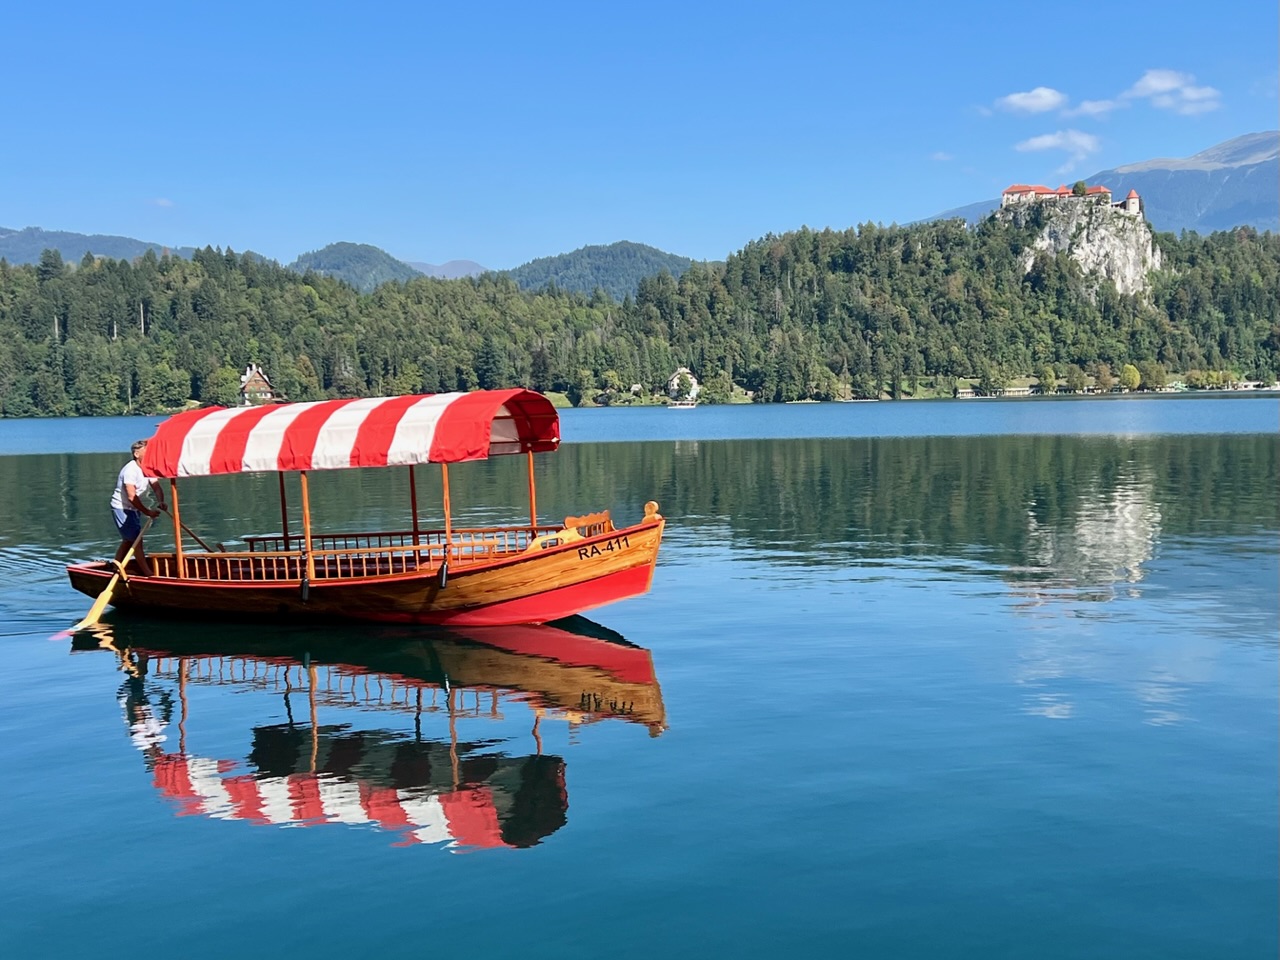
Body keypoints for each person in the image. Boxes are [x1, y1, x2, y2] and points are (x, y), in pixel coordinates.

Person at [111, 439, 167, 577]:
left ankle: (116, 566)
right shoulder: (130, 470)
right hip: (122, 507)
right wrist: (147, 512)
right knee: (136, 540)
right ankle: (148, 573)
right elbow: (131, 496)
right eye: (146, 452)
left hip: (134, 508)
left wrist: (161, 501)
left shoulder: (148, 467)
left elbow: (156, 487)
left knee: (129, 539)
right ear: (136, 454)